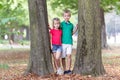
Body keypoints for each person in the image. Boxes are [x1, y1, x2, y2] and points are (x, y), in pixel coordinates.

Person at [60, 9, 78, 74]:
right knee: (63, 57)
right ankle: (64, 69)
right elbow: (57, 30)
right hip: (63, 43)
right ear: (63, 16)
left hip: (69, 43)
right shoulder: (61, 24)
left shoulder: (71, 25)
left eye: (68, 16)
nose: (66, 17)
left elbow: (71, 33)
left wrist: (76, 28)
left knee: (69, 56)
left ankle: (68, 69)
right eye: (65, 16)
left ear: (70, 16)